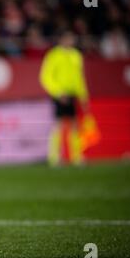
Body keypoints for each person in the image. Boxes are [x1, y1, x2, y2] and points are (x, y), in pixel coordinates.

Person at [39, 29, 89, 167]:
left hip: (72, 94)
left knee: (74, 125)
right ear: (61, 40)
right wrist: (58, 92)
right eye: (68, 38)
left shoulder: (76, 55)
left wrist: (83, 96)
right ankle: (54, 158)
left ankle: (77, 157)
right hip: (60, 94)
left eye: (72, 39)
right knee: (58, 125)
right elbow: (45, 77)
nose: (71, 41)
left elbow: (80, 78)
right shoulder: (54, 55)